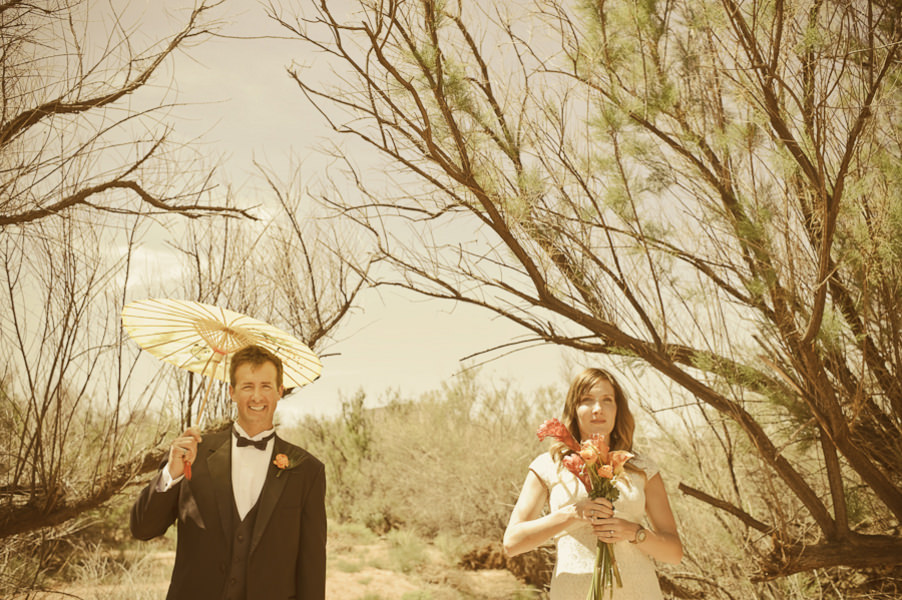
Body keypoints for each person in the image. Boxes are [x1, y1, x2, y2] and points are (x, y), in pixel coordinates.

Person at [130, 345, 327, 600]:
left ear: (279, 392)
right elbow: (142, 529)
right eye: (247, 386)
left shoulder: (307, 469)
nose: (257, 396)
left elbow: (312, 567)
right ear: (232, 392)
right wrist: (171, 472)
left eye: (266, 386)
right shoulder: (192, 455)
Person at [503, 367, 682, 599]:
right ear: (574, 409)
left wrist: (634, 532)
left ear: (618, 410)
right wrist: (572, 515)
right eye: (587, 400)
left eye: (607, 400)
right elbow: (512, 544)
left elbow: (674, 553)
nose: (598, 409)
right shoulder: (549, 464)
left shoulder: (642, 468)